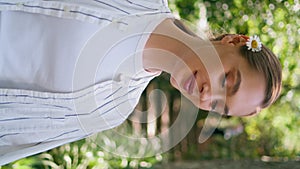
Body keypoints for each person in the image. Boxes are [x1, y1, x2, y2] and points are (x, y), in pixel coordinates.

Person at [0, 0, 282, 165]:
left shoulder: (113, 109)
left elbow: (10, 142)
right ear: (233, 41)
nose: (208, 97)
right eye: (227, 79)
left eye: (220, 105)